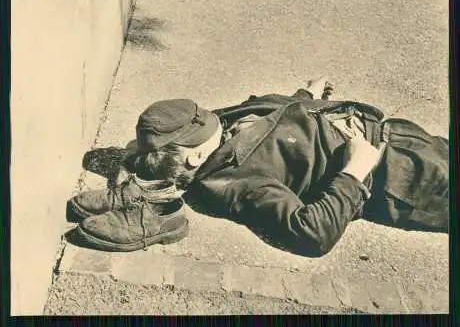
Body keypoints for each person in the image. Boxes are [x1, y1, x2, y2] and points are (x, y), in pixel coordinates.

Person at [69, 77, 449, 256]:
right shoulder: (238, 183)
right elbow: (311, 234)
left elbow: (272, 114)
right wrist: (354, 171)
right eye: (201, 126)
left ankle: (147, 192)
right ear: (196, 158)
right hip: (408, 178)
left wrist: (305, 98)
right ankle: (153, 205)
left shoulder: (215, 130)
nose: (212, 118)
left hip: (402, 136)